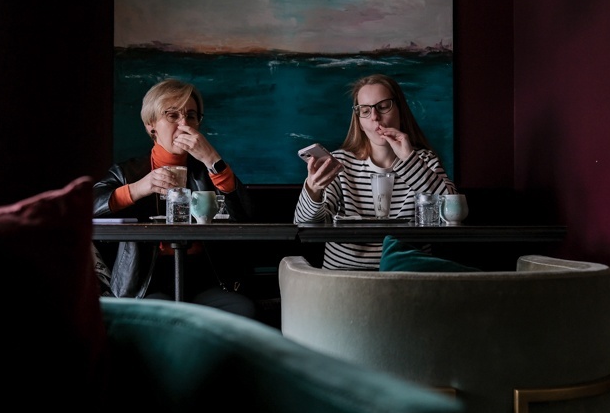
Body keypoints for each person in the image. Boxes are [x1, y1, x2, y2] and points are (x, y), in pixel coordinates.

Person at [93, 78, 256, 318]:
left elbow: (246, 217)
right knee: (157, 317)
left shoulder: (209, 170)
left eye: (191, 116)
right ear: (151, 125)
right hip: (145, 281)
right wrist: (138, 188)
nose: (184, 124)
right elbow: (88, 205)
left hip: (203, 277)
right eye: (172, 115)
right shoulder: (127, 172)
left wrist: (212, 159)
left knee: (241, 309)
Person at [294, 73, 457, 270]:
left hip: (406, 278)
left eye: (383, 106)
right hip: (344, 279)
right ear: (359, 122)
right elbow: (304, 224)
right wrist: (313, 190)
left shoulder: (425, 161)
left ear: (400, 111)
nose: (375, 117)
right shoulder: (340, 163)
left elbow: (452, 212)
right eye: (365, 110)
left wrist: (409, 160)